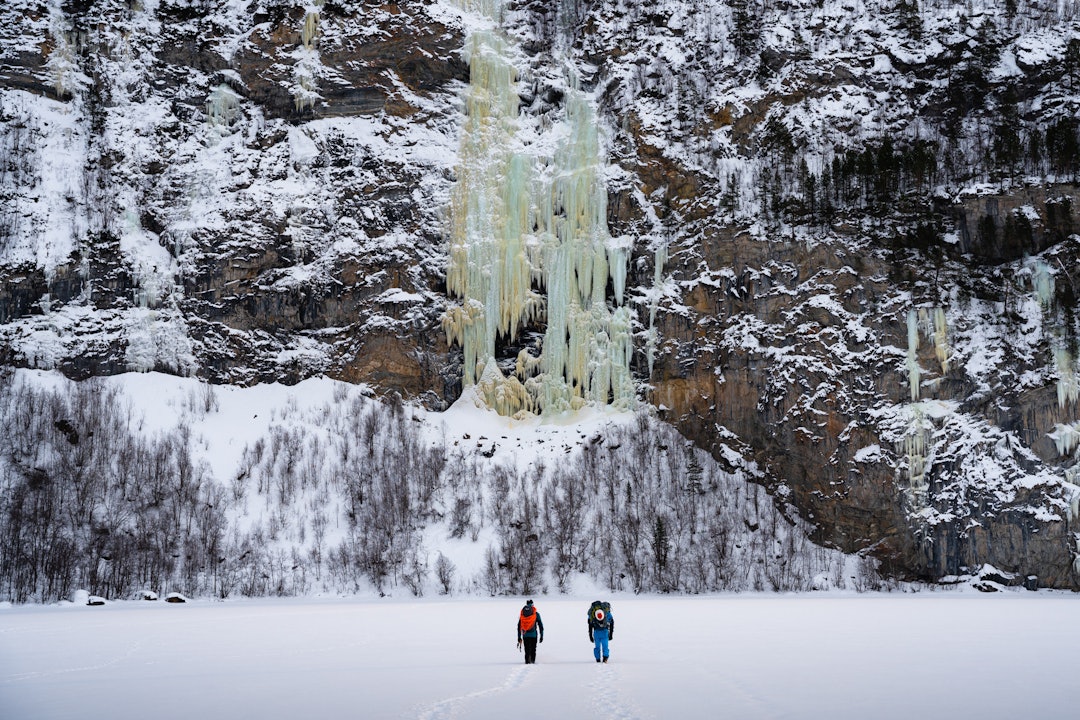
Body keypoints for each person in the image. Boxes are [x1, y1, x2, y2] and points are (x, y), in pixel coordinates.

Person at [516, 599, 543, 664]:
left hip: (525, 635)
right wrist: (541, 635)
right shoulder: (536, 614)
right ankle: (532, 662)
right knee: (533, 649)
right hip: (534, 635)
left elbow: (519, 626)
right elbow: (540, 625)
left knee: (527, 649)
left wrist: (519, 637)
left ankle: (527, 661)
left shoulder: (522, 614)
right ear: (532, 605)